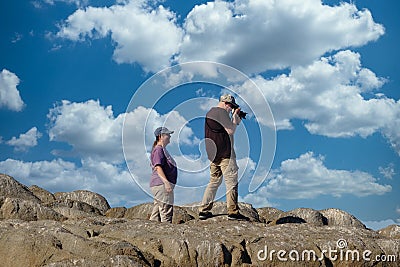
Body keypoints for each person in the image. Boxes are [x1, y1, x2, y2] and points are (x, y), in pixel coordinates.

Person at [199, 94, 249, 221]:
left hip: (212, 154)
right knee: (231, 182)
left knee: (214, 181)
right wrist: (234, 118)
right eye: (231, 106)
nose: (231, 109)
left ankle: (203, 210)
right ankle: (233, 212)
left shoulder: (209, 113)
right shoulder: (221, 112)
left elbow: (224, 129)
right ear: (227, 103)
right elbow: (230, 130)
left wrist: (235, 118)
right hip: (225, 154)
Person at [149, 126, 177, 223]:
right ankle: (168, 235)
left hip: (159, 185)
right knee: (166, 212)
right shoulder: (158, 149)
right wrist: (166, 183)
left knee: (156, 213)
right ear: (160, 136)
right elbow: (158, 167)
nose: (169, 136)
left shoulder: (161, 149)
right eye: (167, 134)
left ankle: (152, 233)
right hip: (161, 184)